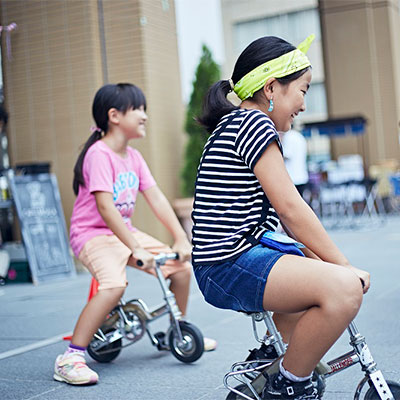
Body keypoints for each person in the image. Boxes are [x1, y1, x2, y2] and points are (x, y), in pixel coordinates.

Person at [192, 35, 370, 399]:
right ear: (271, 87)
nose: (303, 104)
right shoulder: (254, 124)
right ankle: (289, 384)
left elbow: (284, 218)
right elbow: (290, 208)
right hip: (229, 261)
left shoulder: (234, 125)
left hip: (225, 261)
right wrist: (345, 267)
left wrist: (326, 263)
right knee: (344, 291)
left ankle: (270, 363)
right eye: (302, 91)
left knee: (318, 282)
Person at [53, 83, 216, 386]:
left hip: (123, 233)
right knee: (114, 285)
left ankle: (174, 333)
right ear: (114, 116)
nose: (144, 116)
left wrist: (180, 237)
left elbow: (156, 199)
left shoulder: (134, 157)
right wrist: (134, 248)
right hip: (92, 235)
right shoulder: (98, 154)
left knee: (180, 268)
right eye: (137, 109)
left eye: (144, 109)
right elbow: (105, 206)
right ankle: (71, 358)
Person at [280, 127, 309, 198]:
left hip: (293, 178)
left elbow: (286, 155)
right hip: (301, 177)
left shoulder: (288, 137)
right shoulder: (299, 136)